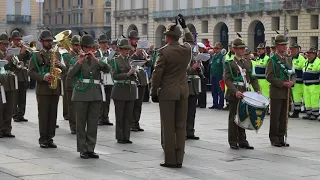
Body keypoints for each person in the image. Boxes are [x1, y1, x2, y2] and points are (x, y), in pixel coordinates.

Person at [151, 14, 194, 168]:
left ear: (169, 37)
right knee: (181, 126)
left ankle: (170, 159)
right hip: (183, 91)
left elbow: (157, 74)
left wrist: (153, 91)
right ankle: (180, 159)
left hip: (168, 92)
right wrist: (185, 26)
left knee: (168, 126)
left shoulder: (164, 52)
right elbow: (191, 41)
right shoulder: (186, 50)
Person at [68, 34, 110, 159]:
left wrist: (96, 60)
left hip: (95, 95)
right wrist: (79, 63)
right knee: (81, 123)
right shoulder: (76, 58)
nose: (91, 49)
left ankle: (91, 148)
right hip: (81, 94)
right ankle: (82, 149)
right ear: (83, 48)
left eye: (92, 47)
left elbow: (108, 69)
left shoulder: (98, 59)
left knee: (92, 123)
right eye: (88, 47)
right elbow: (70, 74)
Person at [28, 30, 65, 148]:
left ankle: (50, 138)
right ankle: (43, 138)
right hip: (43, 90)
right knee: (43, 114)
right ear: (41, 42)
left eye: (50, 41)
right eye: (47, 41)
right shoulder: (36, 55)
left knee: (53, 114)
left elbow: (65, 70)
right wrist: (43, 77)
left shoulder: (57, 54)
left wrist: (60, 65)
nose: (50, 43)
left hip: (55, 89)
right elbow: (31, 72)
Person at [224, 38, 260, 150]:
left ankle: (242, 140)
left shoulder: (248, 62)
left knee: (243, 116)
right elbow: (227, 79)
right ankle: (233, 141)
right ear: (234, 49)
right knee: (234, 117)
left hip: (245, 92)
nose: (242, 50)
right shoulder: (230, 63)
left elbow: (253, 78)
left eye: (243, 48)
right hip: (235, 93)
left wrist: (257, 89)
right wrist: (235, 91)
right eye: (240, 48)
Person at [266, 34, 296, 147]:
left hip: (287, 92)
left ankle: (281, 136)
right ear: (277, 46)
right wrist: (283, 83)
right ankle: (273, 137)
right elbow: (269, 76)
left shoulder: (288, 59)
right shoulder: (272, 60)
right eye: (282, 45)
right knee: (275, 116)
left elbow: (293, 74)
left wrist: (292, 82)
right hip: (277, 92)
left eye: (285, 45)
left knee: (284, 115)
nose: (284, 47)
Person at [111, 39, 137, 144]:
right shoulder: (115, 61)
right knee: (120, 115)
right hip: (120, 90)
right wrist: (127, 74)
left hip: (130, 90)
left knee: (128, 116)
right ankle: (120, 136)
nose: (127, 51)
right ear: (120, 50)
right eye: (124, 49)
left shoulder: (131, 60)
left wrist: (136, 72)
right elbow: (115, 76)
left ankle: (127, 136)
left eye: (128, 49)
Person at [128, 30, 151, 132]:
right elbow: (128, 62)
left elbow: (149, 65)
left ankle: (136, 122)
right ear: (130, 40)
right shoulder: (127, 50)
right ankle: (131, 122)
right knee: (132, 103)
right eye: (134, 39)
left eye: (137, 39)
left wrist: (147, 58)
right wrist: (136, 54)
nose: (136, 41)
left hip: (141, 80)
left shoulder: (141, 51)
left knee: (139, 104)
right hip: (132, 78)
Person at [61, 35, 82, 134]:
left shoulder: (82, 54)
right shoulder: (66, 55)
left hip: (79, 84)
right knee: (71, 106)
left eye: (79, 45)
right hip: (70, 83)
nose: (78, 47)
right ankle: (73, 126)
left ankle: (79, 125)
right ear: (72, 45)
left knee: (79, 106)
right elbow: (69, 67)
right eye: (76, 45)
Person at [10, 30, 30, 122]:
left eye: (20, 39)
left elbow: (30, 57)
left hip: (24, 76)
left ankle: (21, 114)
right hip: (15, 76)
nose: (19, 41)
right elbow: (14, 62)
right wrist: (22, 52)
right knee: (15, 97)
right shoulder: (11, 49)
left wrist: (28, 51)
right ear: (12, 40)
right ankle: (15, 114)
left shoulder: (23, 48)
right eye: (17, 40)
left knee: (23, 97)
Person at [0, 33, 17, 138]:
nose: (5, 46)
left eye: (7, 44)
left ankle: (7, 129)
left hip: (10, 84)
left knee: (9, 108)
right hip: (1, 83)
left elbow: (15, 68)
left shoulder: (10, 53)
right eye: (3, 44)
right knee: (1, 108)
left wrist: (14, 61)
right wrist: (7, 58)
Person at [186, 46, 203, 140]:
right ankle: (183, 132)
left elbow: (202, 71)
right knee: (184, 112)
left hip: (195, 87)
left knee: (192, 112)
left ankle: (190, 131)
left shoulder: (197, 58)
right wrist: (192, 68)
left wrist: (199, 67)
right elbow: (183, 71)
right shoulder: (183, 58)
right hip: (186, 86)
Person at [97, 34, 113, 126]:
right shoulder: (97, 53)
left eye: (106, 43)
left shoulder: (110, 52)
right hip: (100, 78)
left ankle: (105, 117)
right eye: (102, 43)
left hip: (109, 78)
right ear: (99, 44)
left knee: (107, 99)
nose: (104, 45)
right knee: (100, 100)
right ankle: (100, 117)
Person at [301, 47, 320, 120]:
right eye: (307, 53)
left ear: (314, 54)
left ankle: (315, 114)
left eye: (310, 53)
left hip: (314, 85)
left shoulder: (318, 62)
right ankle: (308, 113)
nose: (308, 55)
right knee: (307, 99)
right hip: (306, 84)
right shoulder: (306, 61)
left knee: (314, 100)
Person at [289, 43, 306, 118]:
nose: (291, 50)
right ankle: (296, 112)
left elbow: (304, 71)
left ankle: (298, 112)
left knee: (300, 97)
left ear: (297, 50)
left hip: (300, 82)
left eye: (293, 49)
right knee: (295, 98)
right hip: (292, 82)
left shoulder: (301, 59)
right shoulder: (289, 58)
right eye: (290, 49)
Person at [209, 42, 224, 110]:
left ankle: (220, 104)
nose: (216, 49)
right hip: (213, 75)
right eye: (215, 48)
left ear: (220, 49)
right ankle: (215, 104)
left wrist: (223, 76)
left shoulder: (222, 56)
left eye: (217, 48)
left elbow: (224, 67)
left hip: (219, 76)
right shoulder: (214, 56)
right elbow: (212, 66)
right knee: (214, 90)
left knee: (220, 90)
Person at [196, 42, 207, 108]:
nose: (199, 49)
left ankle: (203, 103)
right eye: (199, 48)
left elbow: (205, 65)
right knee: (199, 89)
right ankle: (199, 102)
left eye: (200, 48)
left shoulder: (205, 55)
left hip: (204, 74)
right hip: (199, 74)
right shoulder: (199, 54)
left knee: (203, 90)